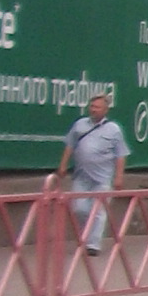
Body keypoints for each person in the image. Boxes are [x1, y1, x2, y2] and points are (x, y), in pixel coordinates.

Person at [58, 90, 129, 256]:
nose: (93, 109)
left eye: (97, 107)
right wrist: (63, 165)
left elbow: (121, 155)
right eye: (92, 106)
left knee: (98, 211)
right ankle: (85, 236)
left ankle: (93, 245)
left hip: (103, 178)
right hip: (81, 176)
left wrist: (119, 177)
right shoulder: (80, 125)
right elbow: (70, 145)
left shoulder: (114, 130)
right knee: (79, 208)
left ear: (105, 110)